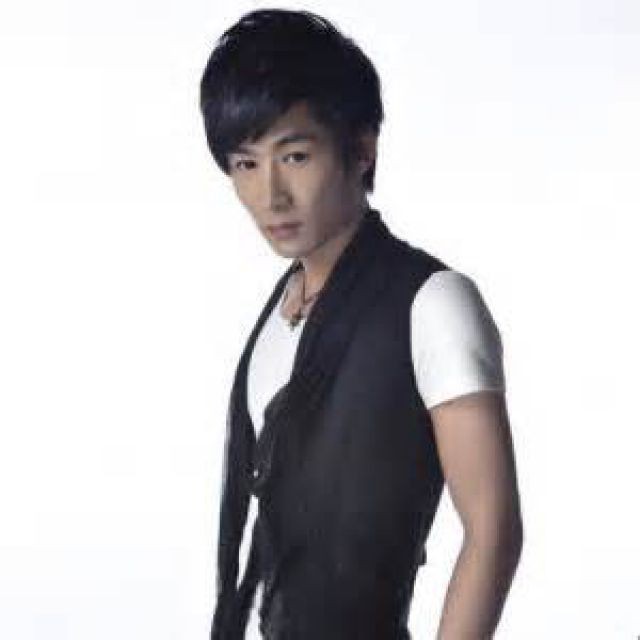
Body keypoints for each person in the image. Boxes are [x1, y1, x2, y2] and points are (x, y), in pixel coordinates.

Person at [199, 9, 523, 639]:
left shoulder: (433, 303)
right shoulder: (279, 310)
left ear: (361, 148)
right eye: (245, 164)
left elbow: (493, 530)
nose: (270, 195)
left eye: (295, 155)